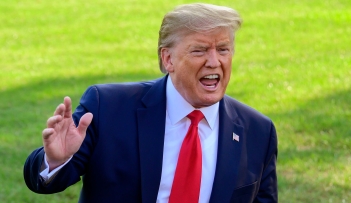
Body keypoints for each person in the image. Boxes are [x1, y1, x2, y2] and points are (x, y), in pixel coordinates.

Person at [24, 3, 278, 203]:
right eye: (199, 50)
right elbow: (45, 183)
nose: (214, 62)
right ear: (168, 59)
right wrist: (55, 160)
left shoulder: (258, 131)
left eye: (223, 50)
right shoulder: (108, 108)